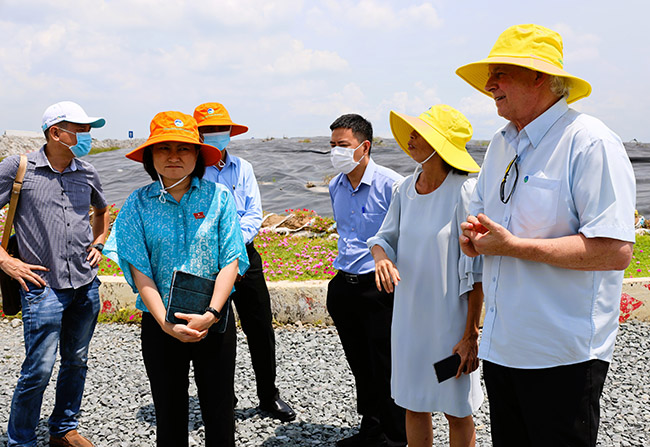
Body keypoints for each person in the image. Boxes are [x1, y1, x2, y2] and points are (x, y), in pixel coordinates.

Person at [456, 24, 636, 446]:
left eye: (500, 73)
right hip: (502, 348)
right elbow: (484, 219)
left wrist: (513, 247)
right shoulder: (501, 145)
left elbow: (614, 250)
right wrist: (474, 239)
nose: (488, 85)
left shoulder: (590, 143)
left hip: (562, 355)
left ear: (538, 76)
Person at [103, 111, 249, 447]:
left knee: (219, 410)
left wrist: (211, 314)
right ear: (149, 156)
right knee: (168, 413)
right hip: (159, 323)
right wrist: (165, 323)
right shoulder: (137, 204)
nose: (173, 156)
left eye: (183, 148)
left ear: (197, 154)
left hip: (214, 321)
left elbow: (231, 259)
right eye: (163, 148)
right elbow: (140, 270)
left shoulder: (218, 197)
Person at [368, 105, 484, 447]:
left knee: (456, 409)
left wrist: (471, 335)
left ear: (441, 143)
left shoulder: (464, 192)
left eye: (420, 133)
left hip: (451, 323)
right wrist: (381, 260)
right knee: (413, 403)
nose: (410, 138)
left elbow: (476, 270)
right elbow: (383, 238)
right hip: (409, 322)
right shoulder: (404, 189)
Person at [0, 101, 109, 447]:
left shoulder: (87, 172)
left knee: (76, 361)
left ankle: (63, 429)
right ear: (55, 132)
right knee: (39, 369)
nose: (87, 135)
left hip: (85, 284)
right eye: (80, 129)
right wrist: (5, 260)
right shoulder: (19, 168)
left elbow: (101, 210)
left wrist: (100, 241)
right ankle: (21, 440)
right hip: (42, 287)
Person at [193, 102, 296, 422]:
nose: (215, 136)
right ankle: (222, 398)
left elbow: (254, 214)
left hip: (246, 258)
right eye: (208, 131)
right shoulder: (193, 170)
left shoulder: (243, 167)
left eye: (219, 130)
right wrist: (224, 249)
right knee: (214, 331)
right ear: (197, 135)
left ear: (229, 133)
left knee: (260, 328)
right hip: (208, 261)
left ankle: (268, 395)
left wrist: (235, 250)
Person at [327, 113, 406, 447]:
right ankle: (371, 428)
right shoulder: (335, 185)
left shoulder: (393, 185)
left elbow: (406, 236)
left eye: (342, 145)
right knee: (359, 362)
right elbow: (345, 235)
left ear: (364, 147)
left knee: (385, 363)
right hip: (345, 284)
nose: (335, 152)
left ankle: (396, 435)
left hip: (379, 287)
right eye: (331, 146)